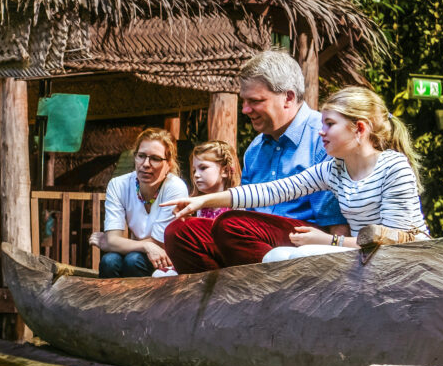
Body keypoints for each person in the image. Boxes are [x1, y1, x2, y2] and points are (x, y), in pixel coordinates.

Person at [164, 87, 427, 258]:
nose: (321, 131)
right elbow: (273, 191)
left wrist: (329, 241)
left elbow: (397, 243)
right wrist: (202, 200)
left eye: (330, 124)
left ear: (359, 129)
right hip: (362, 255)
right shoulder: (333, 169)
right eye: (322, 123)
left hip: (403, 261)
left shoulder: (394, 167)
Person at [164, 50, 348, 273]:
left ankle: (256, 287)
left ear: (288, 98)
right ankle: (220, 294)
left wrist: (341, 263)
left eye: (255, 101)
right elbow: (247, 205)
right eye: (244, 101)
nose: (245, 110)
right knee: (180, 232)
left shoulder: (323, 137)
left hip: (303, 239)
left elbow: (336, 221)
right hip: (248, 239)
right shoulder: (255, 149)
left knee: (231, 225)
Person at [88, 128, 188, 277]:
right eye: (141, 156)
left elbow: (160, 243)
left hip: (167, 258)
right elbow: (113, 239)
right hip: (140, 252)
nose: (146, 164)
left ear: (169, 164)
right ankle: (110, 301)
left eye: (155, 158)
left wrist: (112, 243)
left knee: (133, 261)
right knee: (109, 261)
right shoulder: (118, 185)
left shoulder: (175, 187)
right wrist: (145, 245)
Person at [151, 140, 241, 277]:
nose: (196, 175)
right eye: (194, 170)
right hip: (201, 259)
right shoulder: (200, 208)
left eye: (203, 168)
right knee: (159, 275)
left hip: (226, 263)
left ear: (225, 171)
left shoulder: (237, 206)